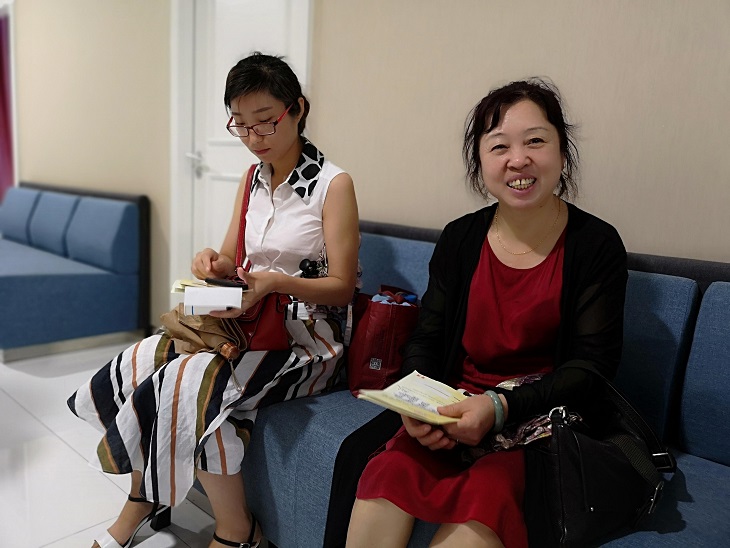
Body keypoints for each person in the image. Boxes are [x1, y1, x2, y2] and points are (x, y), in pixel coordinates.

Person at [68, 52, 359, 548]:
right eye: (240, 124)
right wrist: (213, 263)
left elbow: (342, 286)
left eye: (264, 121)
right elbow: (230, 258)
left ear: (297, 109)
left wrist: (274, 282)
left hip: (309, 339)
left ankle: (223, 527)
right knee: (144, 362)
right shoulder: (252, 179)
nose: (253, 137)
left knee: (189, 381)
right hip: (247, 324)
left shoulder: (333, 184)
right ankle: (161, 502)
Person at [346, 79, 627, 548]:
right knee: (389, 470)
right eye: (499, 146)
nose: (518, 160)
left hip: (541, 423)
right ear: (480, 161)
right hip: (456, 411)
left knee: (490, 492)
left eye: (535, 141)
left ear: (562, 151)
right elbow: (427, 339)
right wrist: (419, 407)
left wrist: (498, 408)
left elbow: (593, 367)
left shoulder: (595, 245)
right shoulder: (460, 239)